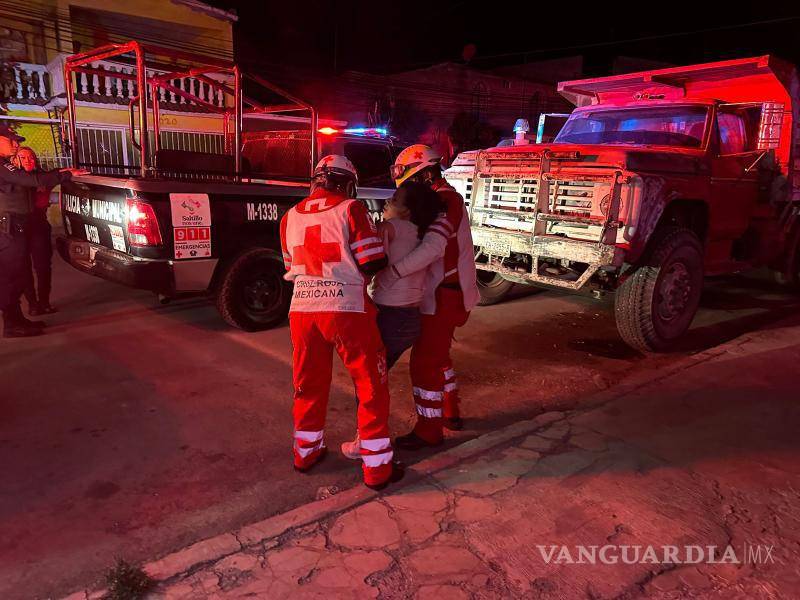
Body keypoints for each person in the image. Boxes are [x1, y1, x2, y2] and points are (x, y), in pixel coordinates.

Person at [280, 154, 403, 490]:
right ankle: (378, 468)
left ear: (316, 179)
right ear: (348, 183)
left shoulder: (289, 217)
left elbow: (291, 264)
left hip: (303, 312)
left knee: (308, 384)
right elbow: (372, 260)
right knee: (369, 385)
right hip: (347, 310)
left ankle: (305, 452)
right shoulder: (351, 209)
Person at [381, 144, 480, 449]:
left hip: (443, 295)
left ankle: (429, 430)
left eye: (408, 181)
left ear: (423, 174)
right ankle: (450, 412)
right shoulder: (443, 200)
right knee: (439, 357)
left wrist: (394, 273)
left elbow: (434, 247)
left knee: (424, 364)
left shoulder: (447, 201)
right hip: (444, 292)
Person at [340, 181, 446, 459]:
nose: (387, 202)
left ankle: (369, 440)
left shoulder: (392, 228)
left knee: (368, 380)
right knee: (374, 378)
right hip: (409, 318)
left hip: (390, 317)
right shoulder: (422, 233)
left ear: (408, 210)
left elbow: (366, 257)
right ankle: (370, 437)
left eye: (395, 199)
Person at [0, 126, 85, 338]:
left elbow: (38, 177)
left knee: (18, 274)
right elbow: (33, 180)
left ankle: (17, 319)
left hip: (17, 226)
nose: (16, 144)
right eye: (12, 141)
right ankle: (12, 324)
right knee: (11, 277)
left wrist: (61, 174)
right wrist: (65, 175)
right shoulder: (2, 165)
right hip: (9, 226)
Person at [15, 147, 57, 315]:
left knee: (43, 266)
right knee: (23, 267)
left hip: (39, 225)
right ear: (15, 161)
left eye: (31, 157)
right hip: (19, 227)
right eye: (23, 158)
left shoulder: (42, 177)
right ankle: (33, 304)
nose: (28, 161)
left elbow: (57, 176)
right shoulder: (12, 178)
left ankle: (44, 302)